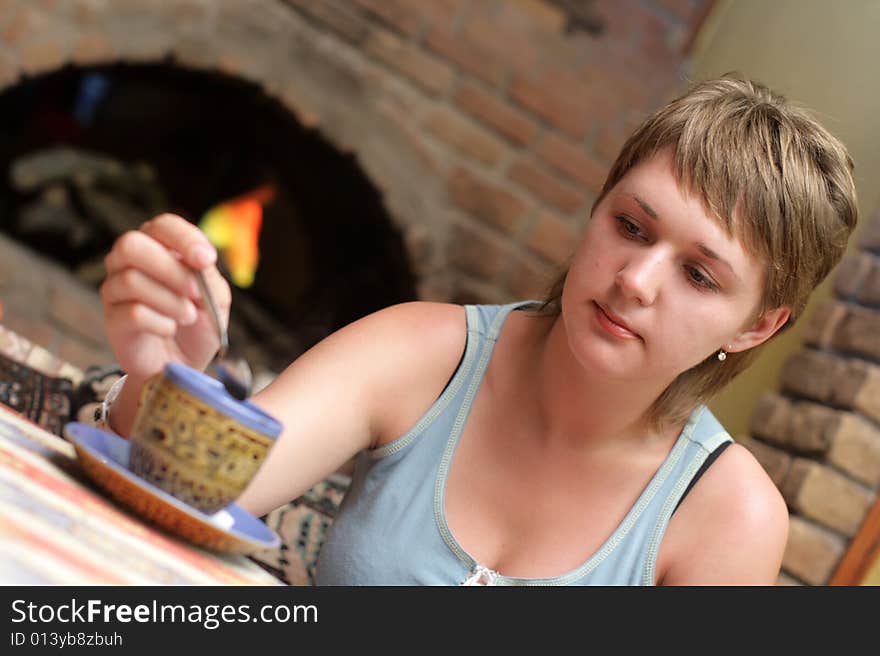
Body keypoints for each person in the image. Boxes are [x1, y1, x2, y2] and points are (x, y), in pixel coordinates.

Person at [96, 75, 858, 585]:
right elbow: (193, 489)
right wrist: (166, 371)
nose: (635, 278)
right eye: (630, 225)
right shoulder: (422, 351)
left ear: (758, 326)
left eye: (699, 274)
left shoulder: (727, 517)